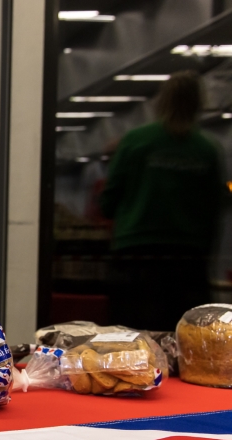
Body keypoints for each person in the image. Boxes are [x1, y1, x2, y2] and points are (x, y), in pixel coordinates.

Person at [99, 70, 228, 332]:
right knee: (185, 336)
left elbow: (108, 203)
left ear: (161, 101)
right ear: (199, 104)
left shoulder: (135, 141)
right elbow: (216, 206)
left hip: (136, 257)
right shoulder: (207, 149)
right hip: (188, 261)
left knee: (132, 335)